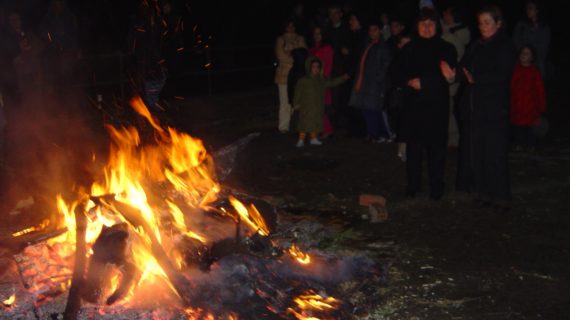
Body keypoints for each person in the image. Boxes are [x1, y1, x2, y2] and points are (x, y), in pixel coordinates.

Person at [455, 5, 516, 211]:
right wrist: (453, 73)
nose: (483, 27)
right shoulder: (476, 45)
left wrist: (477, 79)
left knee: (494, 153)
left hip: (494, 108)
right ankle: (482, 192)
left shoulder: (505, 45)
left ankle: (500, 196)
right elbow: (463, 66)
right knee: (477, 152)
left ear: (498, 23)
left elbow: (503, 74)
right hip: (475, 108)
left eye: (487, 22)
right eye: (480, 23)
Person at [396, 8, 457, 200]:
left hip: (436, 107)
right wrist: (408, 82)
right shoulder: (409, 48)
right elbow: (396, 72)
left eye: (431, 24)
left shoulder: (447, 48)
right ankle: (413, 185)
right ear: (417, 26)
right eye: (423, 24)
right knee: (413, 149)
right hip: (413, 107)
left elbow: (448, 76)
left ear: (437, 26)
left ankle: (436, 187)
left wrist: (425, 82)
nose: (427, 28)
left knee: (436, 149)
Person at [348, 20, 393, 144]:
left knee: (374, 108)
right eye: (370, 30)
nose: (372, 33)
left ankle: (382, 133)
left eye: (374, 30)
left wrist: (378, 78)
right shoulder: (368, 44)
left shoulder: (383, 46)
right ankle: (373, 133)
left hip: (375, 83)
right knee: (365, 108)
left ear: (379, 31)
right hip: (364, 80)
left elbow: (386, 63)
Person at [293, 57, 348, 147]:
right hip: (306, 106)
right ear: (309, 67)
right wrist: (296, 103)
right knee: (304, 123)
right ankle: (301, 139)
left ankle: (313, 138)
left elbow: (332, 82)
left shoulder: (321, 79)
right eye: (313, 66)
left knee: (315, 122)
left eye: (318, 67)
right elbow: (297, 92)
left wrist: (343, 78)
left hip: (318, 106)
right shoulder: (303, 80)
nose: (316, 69)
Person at [441, 5, 470, 147]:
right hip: (443, 74)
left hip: (452, 75)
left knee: (447, 106)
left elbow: (458, 55)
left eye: (446, 13)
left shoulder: (457, 33)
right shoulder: (445, 30)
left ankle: (453, 139)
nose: (444, 16)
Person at [510, 45, 546, 152]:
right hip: (516, 105)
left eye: (527, 53)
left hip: (530, 106)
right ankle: (518, 144)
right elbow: (511, 87)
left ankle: (531, 144)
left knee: (530, 127)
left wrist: (541, 107)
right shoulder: (515, 70)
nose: (523, 55)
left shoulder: (535, 72)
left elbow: (540, 91)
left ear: (532, 57)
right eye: (522, 53)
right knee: (518, 127)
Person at [274, 19, 306, 133]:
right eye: (289, 26)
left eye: (293, 25)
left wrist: (291, 53)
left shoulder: (300, 38)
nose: (291, 28)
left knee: (296, 100)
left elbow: (303, 55)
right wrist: (294, 57)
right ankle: (283, 126)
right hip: (284, 75)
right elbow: (281, 56)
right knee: (284, 101)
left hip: (297, 75)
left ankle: (295, 124)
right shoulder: (281, 39)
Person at [308, 26, 335, 138]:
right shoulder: (312, 48)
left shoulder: (327, 48)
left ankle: (327, 129)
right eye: (315, 33)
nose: (317, 35)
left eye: (319, 33)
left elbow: (328, 65)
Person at [513, 0, 551, 78]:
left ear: (537, 10)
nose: (528, 10)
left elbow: (544, 47)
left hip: (537, 65)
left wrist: (532, 56)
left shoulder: (544, 27)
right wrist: (524, 55)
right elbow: (516, 42)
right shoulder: (521, 25)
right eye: (527, 8)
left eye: (531, 8)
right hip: (521, 63)